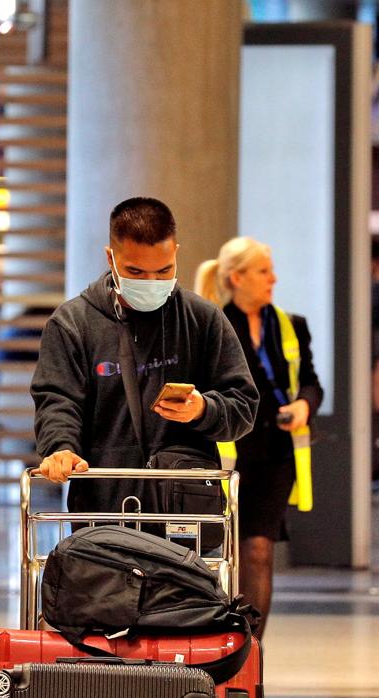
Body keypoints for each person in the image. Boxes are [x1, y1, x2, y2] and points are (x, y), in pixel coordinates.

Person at [31, 197, 259, 518]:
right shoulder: (72, 323)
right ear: (111, 258)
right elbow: (58, 401)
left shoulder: (203, 319)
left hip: (185, 510)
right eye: (135, 271)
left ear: (176, 253)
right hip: (103, 506)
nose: (151, 282)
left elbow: (243, 405)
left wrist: (202, 409)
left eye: (164, 270)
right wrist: (61, 448)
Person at [195, 237, 321, 639]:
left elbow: (312, 383)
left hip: (276, 454)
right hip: (230, 455)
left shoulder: (290, 326)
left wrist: (304, 405)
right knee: (222, 554)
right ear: (237, 277)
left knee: (260, 549)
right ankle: (219, 639)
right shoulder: (213, 324)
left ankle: (252, 648)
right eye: (264, 271)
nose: (274, 278)